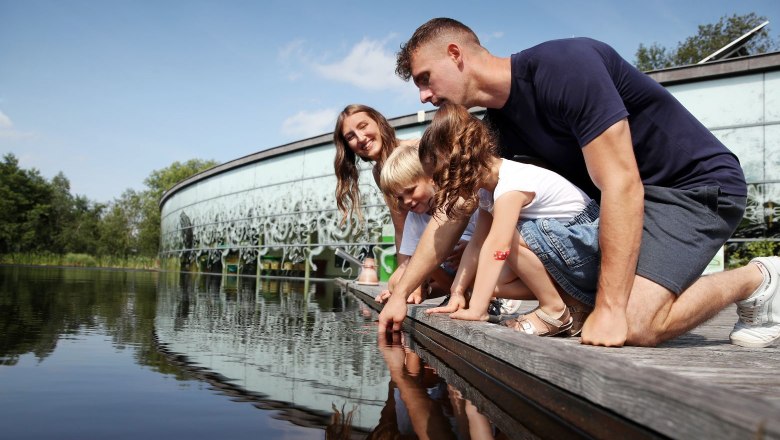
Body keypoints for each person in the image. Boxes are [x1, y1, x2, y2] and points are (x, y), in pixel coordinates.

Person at [380, 17, 779, 349]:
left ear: (455, 54)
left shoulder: (565, 66)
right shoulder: (498, 128)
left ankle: (759, 278)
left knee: (635, 325)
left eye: (425, 79)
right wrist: (399, 296)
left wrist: (609, 306)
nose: (424, 96)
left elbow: (621, 182)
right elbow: (455, 212)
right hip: (622, 204)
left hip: (692, 187)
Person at [420, 103, 599, 336]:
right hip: (567, 252)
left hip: (588, 248)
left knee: (506, 234)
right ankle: (575, 305)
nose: (438, 186)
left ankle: (554, 310)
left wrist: (478, 309)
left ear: (459, 160)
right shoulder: (488, 192)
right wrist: (458, 292)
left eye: (440, 176)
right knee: (496, 284)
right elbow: (476, 245)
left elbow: (498, 246)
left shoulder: (510, 185)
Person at [376, 142, 477, 304]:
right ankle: (443, 293)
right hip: (452, 279)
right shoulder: (414, 218)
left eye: (411, 190)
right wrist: (399, 292)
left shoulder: (460, 200)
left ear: (431, 178)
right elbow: (406, 268)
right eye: (400, 198)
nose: (407, 201)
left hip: (482, 268)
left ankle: (489, 296)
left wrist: (472, 248)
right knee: (397, 280)